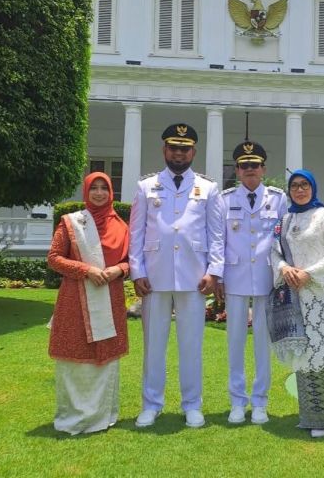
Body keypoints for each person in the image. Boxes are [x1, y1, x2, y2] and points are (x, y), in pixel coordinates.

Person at [129, 123, 224, 429]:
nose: (179, 153)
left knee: (191, 346)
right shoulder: (146, 186)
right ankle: (151, 404)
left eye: (185, 148)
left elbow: (217, 235)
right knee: (153, 345)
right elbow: (136, 232)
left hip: (194, 276)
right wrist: (137, 271)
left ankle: (192, 404)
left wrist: (214, 272)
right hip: (154, 276)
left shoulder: (208, 188)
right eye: (174, 147)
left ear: (193, 151)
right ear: (164, 150)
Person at [270, 169, 324, 438]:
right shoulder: (285, 220)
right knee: (305, 353)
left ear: (313, 187)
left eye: (304, 185)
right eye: (294, 186)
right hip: (296, 295)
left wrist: (309, 272)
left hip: (323, 295)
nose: (299, 190)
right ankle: (312, 416)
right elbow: (273, 252)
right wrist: (284, 268)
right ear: (289, 191)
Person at [48, 172, 129, 435]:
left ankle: (101, 415)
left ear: (111, 193)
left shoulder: (121, 226)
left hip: (110, 295)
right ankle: (74, 416)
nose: (98, 193)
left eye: (103, 188)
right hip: (76, 298)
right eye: (93, 188)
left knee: (104, 354)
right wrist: (86, 270)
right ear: (85, 192)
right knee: (76, 353)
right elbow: (54, 258)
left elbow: (132, 260)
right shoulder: (72, 223)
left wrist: (120, 269)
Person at [218, 141, 287, 424]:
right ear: (236, 169)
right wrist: (218, 275)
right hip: (234, 277)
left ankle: (260, 401)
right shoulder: (225, 200)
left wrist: (284, 273)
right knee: (234, 342)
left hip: (266, 277)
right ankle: (237, 401)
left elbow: (285, 238)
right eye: (244, 166)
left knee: (262, 342)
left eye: (254, 165)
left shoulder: (278, 199)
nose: (250, 170)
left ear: (263, 169)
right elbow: (218, 240)